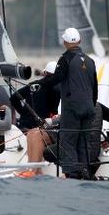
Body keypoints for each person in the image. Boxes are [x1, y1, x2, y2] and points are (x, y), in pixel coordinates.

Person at [33, 27, 98, 179]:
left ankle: (73, 174)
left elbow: (56, 79)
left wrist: (42, 81)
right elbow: (94, 87)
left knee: (68, 140)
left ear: (64, 42)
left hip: (72, 108)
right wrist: (92, 105)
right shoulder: (90, 61)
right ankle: (85, 172)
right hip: (89, 108)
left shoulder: (66, 58)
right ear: (80, 41)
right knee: (83, 141)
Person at [10, 61, 61, 176]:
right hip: (42, 127)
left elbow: (13, 98)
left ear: (45, 73)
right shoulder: (57, 87)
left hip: (24, 125)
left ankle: (32, 169)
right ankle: (35, 170)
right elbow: (54, 112)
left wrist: (23, 112)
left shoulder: (32, 85)